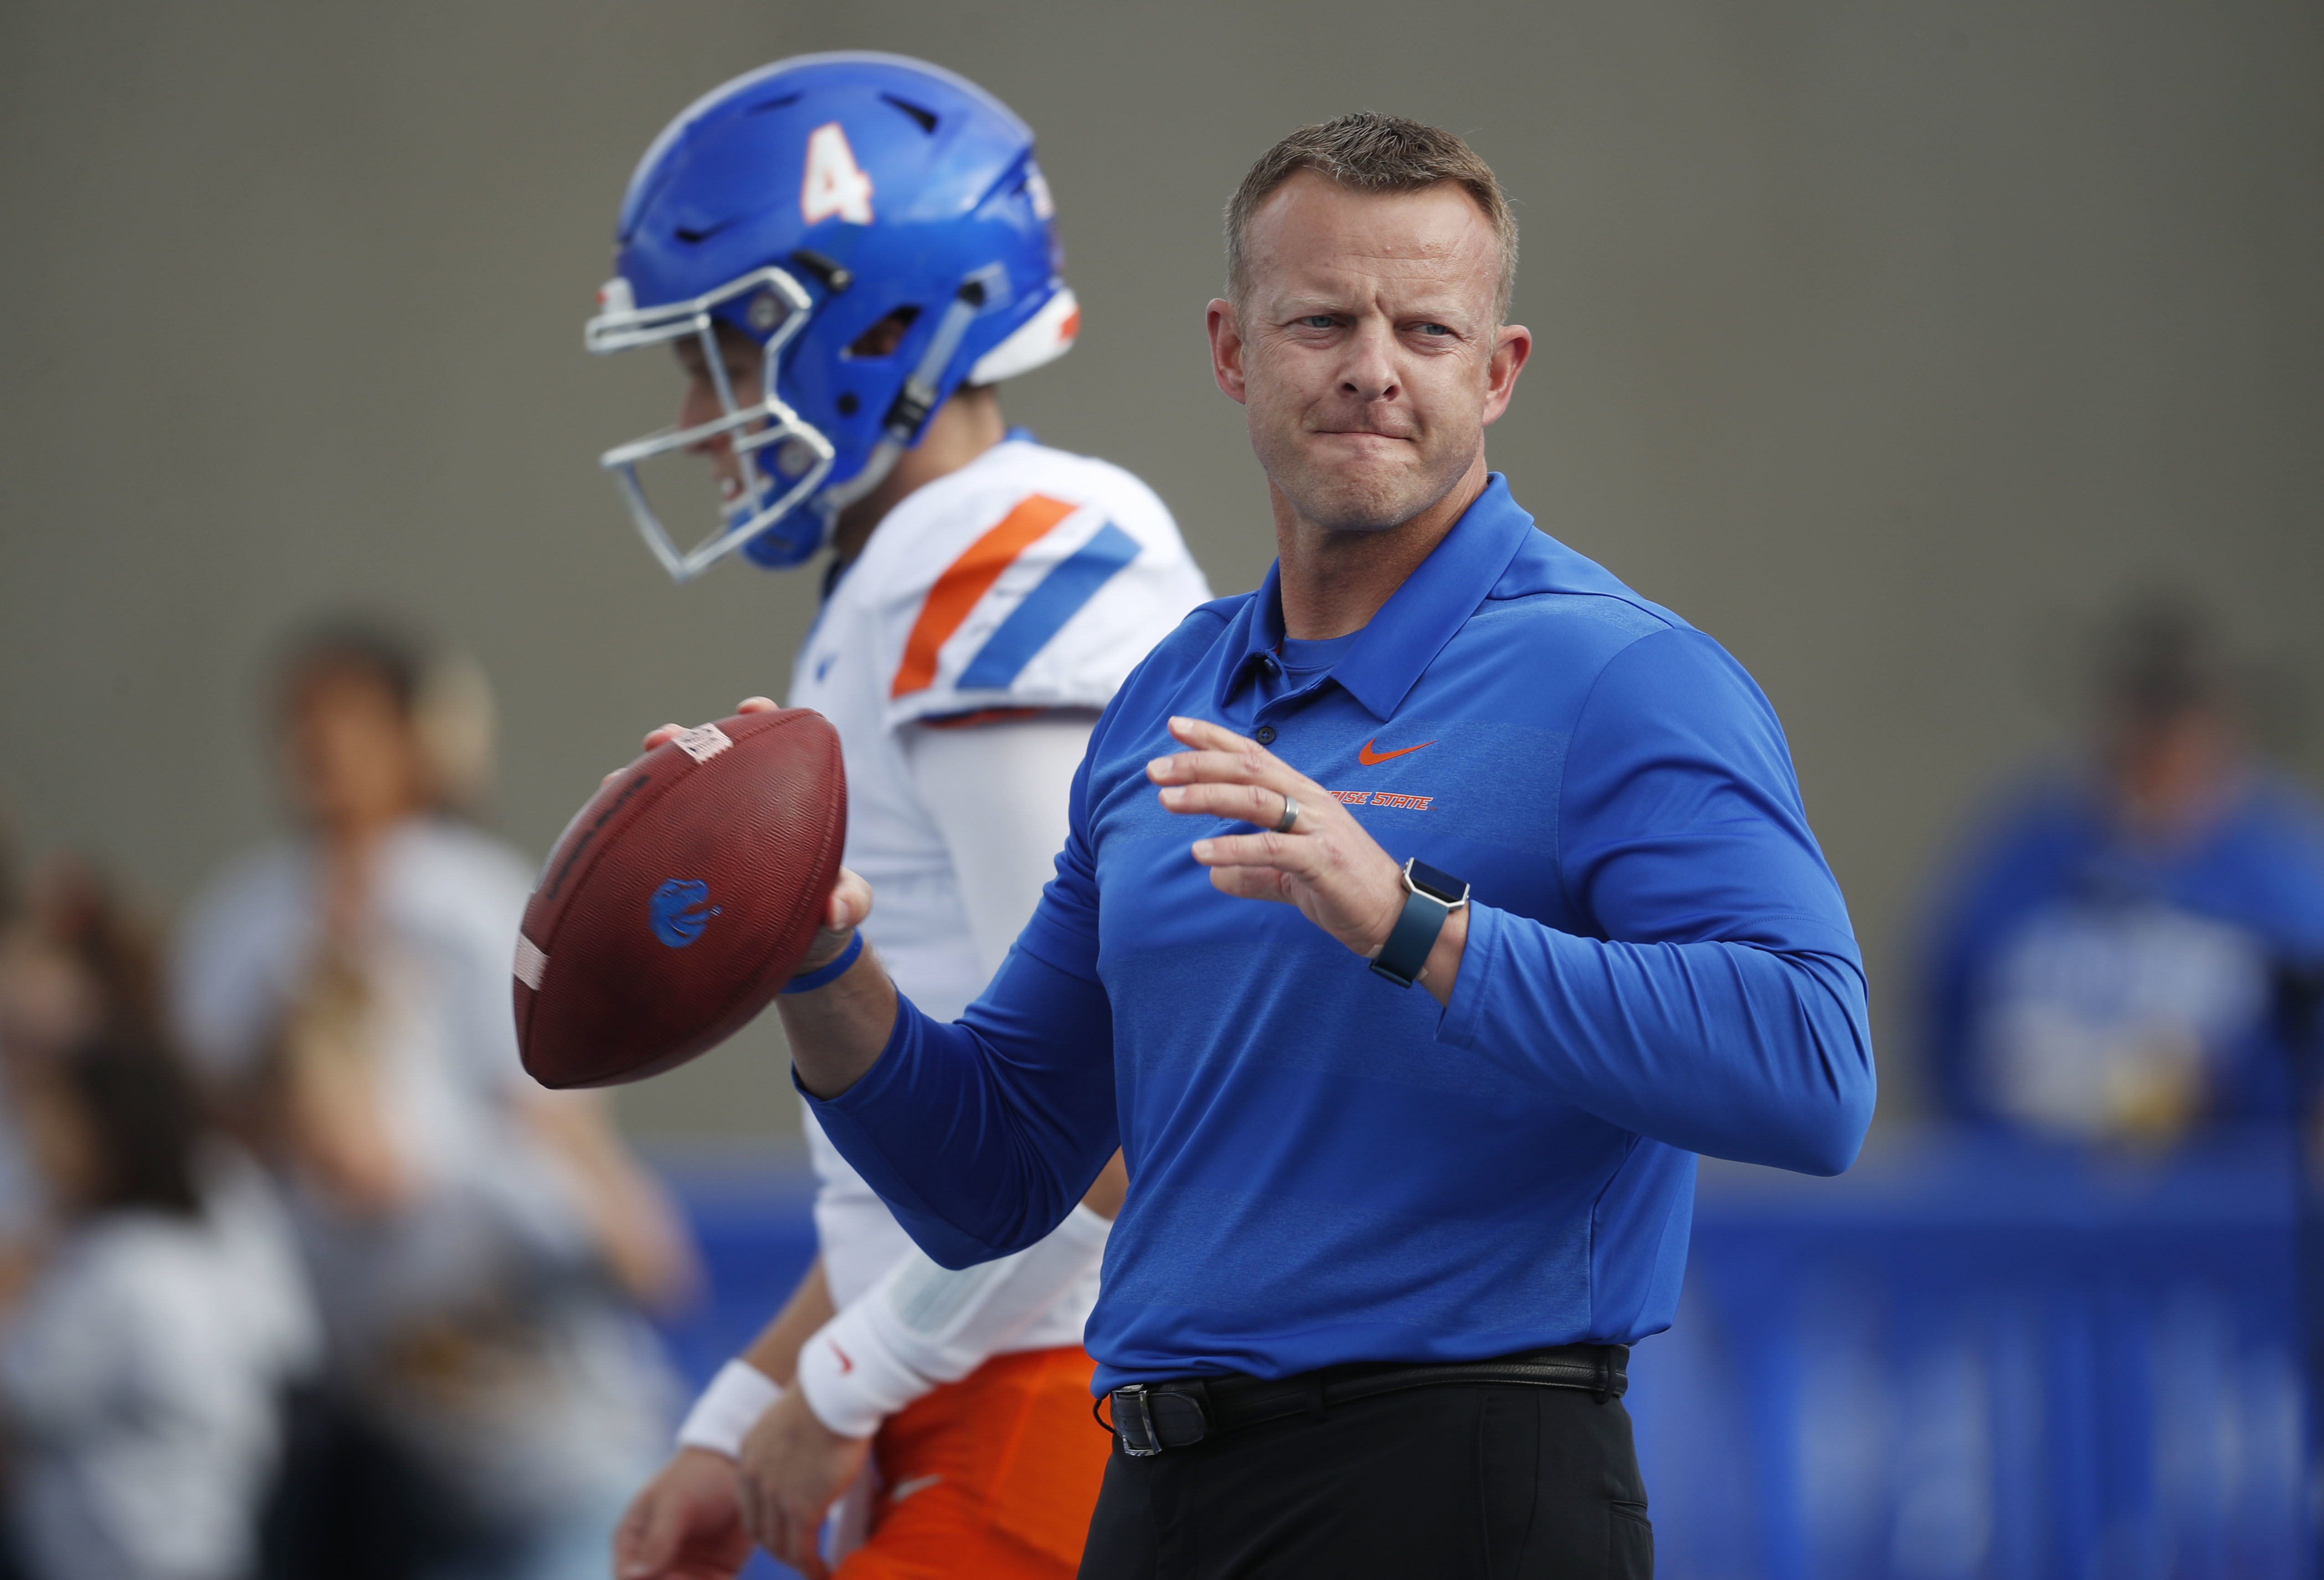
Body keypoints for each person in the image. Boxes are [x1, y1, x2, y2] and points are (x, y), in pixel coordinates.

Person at [660, 113, 1878, 1575]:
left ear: (1496, 374)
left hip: (1465, 1487)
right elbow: (991, 1173)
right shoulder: (1166, 698)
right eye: (1322, 321)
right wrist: (820, 957)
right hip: (1162, 1494)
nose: (1373, 366)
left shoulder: (1622, 679)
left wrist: (1410, 922)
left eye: (1426, 327)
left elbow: (1815, 1074)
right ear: (1232, 351)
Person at [589, 56, 1210, 1580]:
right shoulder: (904, 571)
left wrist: (842, 1380)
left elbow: (1109, 1119)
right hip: (998, 1384)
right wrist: (741, 1409)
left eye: (724, 351)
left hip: (1061, 1401)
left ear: (873, 327)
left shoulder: (997, 555)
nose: (696, 412)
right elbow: (936, 1160)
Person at [170, 623, 696, 1580]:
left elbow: (611, 1209)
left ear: (416, 739)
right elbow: (201, 1137)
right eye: (300, 719)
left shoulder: (477, 906)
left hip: (542, 1445)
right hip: (370, 1465)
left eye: (351, 717)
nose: (320, 745)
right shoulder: (242, 925)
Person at [1923, 599, 2324, 1147]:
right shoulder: (2022, 858)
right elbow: (1944, 1015)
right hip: (2035, 1203)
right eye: (2143, 711)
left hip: (2223, 1211)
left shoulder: (2285, 877)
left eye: (2179, 716)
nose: (2157, 744)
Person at [0, 1031, 317, 1580]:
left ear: (111, 1131)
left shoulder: (120, 1267)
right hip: (210, 1541)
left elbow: (23, 1394)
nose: (38, 1145)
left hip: (131, 1553)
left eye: (58, 1124)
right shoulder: (195, 1246)